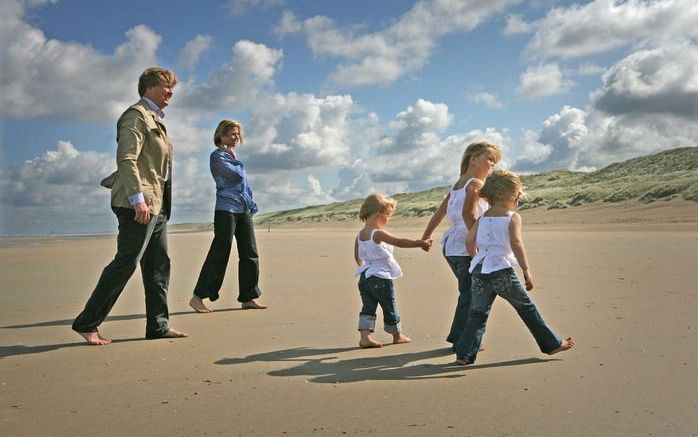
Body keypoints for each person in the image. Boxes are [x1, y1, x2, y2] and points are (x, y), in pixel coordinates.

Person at [72, 67, 187, 345]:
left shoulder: (155, 120)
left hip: (156, 205)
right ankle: (88, 323)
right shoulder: (135, 116)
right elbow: (127, 159)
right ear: (148, 88)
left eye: (172, 87)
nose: (171, 91)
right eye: (165, 86)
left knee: (159, 266)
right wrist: (138, 199)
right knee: (126, 263)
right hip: (137, 204)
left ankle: (158, 325)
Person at [454, 169, 574, 364]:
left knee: (477, 313)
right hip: (502, 271)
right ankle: (552, 344)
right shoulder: (512, 217)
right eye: (516, 192)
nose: (519, 195)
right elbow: (516, 242)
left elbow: (469, 241)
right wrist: (526, 270)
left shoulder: (483, 218)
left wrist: (478, 259)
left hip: (480, 271)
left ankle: (464, 355)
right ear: (501, 194)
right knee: (526, 307)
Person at [421, 141, 500, 349]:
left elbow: (440, 213)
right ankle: (462, 338)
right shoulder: (475, 184)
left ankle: (464, 336)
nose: (493, 164)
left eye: (495, 161)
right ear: (473, 159)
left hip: (450, 247)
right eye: (489, 159)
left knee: (469, 291)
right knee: (471, 293)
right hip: (466, 247)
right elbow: (470, 215)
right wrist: (478, 242)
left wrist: (426, 236)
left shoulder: (457, 185)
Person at [189, 120, 266, 313]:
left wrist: (250, 203)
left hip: (243, 208)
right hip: (225, 209)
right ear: (221, 135)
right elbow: (235, 176)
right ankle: (198, 297)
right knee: (220, 252)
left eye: (237, 134)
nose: (236, 137)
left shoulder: (233, 155)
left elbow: (244, 184)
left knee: (250, 252)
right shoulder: (217, 156)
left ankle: (248, 296)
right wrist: (235, 159)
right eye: (232, 134)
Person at [354, 193, 433, 348]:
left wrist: (365, 267)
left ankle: (365, 337)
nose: (388, 220)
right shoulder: (378, 233)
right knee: (389, 305)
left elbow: (357, 257)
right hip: (381, 277)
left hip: (364, 277)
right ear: (378, 215)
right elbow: (399, 241)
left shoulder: (360, 235)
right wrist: (419, 243)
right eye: (388, 216)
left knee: (368, 307)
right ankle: (397, 335)